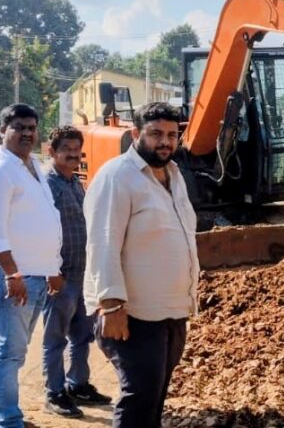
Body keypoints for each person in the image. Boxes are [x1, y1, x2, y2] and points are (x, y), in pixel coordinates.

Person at [84, 102, 199, 428]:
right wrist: (111, 305)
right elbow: (103, 243)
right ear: (136, 134)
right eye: (156, 134)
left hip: (171, 311)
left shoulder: (174, 174)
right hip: (133, 314)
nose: (165, 142)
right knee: (139, 396)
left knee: (155, 395)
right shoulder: (118, 176)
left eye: (172, 135)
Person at [0, 103, 63, 428]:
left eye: (31, 128)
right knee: (10, 352)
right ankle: (8, 421)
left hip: (35, 274)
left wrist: (52, 268)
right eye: (19, 127)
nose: (27, 133)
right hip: (13, 276)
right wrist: (12, 273)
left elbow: (43, 217)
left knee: (14, 351)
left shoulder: (31, 164)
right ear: (3, 131)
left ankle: (3, 414)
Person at [42, 126, 111, 418]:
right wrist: (50, 271)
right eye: (66, 149)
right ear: (52, 151)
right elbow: (42, 231)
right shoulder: (46, 186)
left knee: (83, 337)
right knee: (55, 340)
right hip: (60, 277)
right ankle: (54, 392)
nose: (73, 154)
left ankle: (78, 385)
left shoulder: (75, 183)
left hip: (83, 276)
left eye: (76, 150)